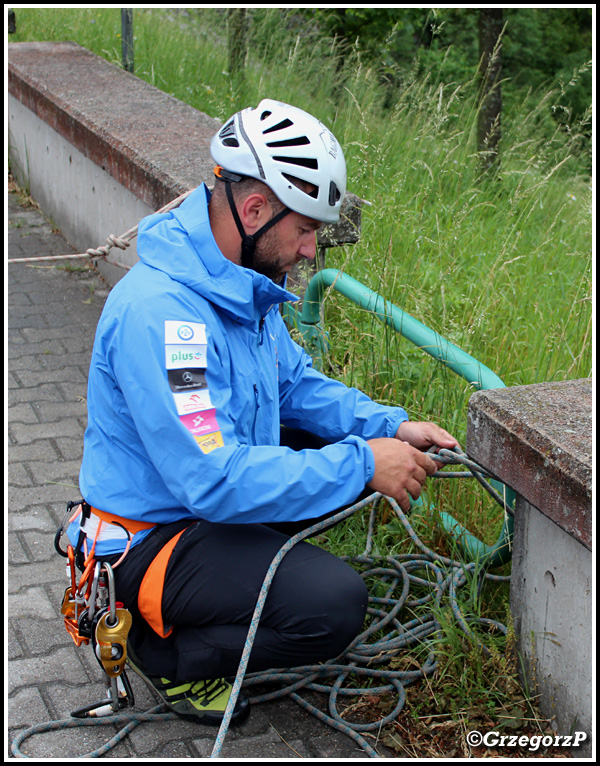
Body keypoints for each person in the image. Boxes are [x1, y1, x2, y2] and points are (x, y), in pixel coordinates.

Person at [67, 99, 457, 726]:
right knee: (331, 605)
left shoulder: (238, 282)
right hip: (154, 535)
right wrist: (361, 463)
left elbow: (295, 387)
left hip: (199, 507)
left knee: (330, 450)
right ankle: (162, 651)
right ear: (254, 210)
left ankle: (222, 600)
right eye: (305, 230)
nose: (309, 251)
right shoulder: (167, 319)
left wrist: (388, 426)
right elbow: (213, 479)